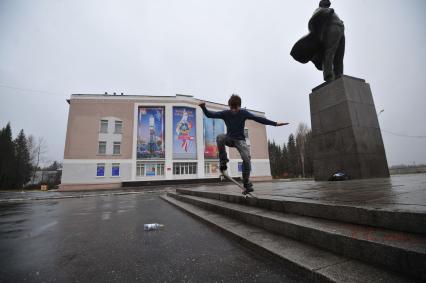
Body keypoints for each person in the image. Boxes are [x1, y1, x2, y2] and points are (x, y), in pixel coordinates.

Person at [199, 94, 288, 194]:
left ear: (239, 106)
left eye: (235, 108)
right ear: (230, 106)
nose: (233, 110)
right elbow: (210, 115)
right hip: (230, 138)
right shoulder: (225, 113)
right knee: (220, 137)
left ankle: (246, 182)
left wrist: (275, 123)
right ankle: (223, 161)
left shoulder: (243, 113)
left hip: (241, 141)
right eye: (232, 108)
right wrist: (203, 108)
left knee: (246, 159)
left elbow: (258, 119)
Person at [290, 0, 345, 82]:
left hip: (340, 30)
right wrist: (328, 12)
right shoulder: (319, 9)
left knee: (339, 54)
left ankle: (339, 73)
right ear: (321, 4)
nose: (328, 1)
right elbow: (315, 19)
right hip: (332, 29)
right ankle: (328, 75)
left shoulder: (329, 10)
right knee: (330, 52)